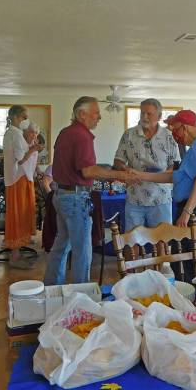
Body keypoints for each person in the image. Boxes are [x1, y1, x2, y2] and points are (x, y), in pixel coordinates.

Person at [44, 96, 135, 285]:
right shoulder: (82, 135)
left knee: (61, 245)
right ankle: (81, 297)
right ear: (82, 114)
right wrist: (119, 175)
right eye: (96, 113)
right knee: (82, 251)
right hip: (75, 198)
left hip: (60, 195)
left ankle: (51, 289)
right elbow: (88, 171)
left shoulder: (65, 133)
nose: (99, 118)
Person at [131, 109, 196, 280]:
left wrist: (187, 211)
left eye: (176, 130)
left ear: (184, 128)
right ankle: (191, 299)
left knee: (187, 262)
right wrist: (141, 175)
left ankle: (189, 300)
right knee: (192, 260)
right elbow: (175, 176)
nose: (175, 136)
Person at [113, 98, 179, 231]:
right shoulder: (129, 135)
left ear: (159, 116)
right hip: (135, 198)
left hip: (161, 198)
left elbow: (175, 166)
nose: (144, 117)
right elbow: (118, 161)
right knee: (132, 241)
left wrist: (160, 176)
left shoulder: (169, 137)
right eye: (142, 113)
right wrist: (126, 170)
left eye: (149, 114)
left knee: (162, 242)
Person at [3, 106, 43, 269]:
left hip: (19, 179)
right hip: (18, 180)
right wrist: (33, 149)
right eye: (24, 117)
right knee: (18, 215)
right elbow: (20, 160)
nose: (25, 121)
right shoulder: (15, 134)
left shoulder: (11, 133)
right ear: (17, 117)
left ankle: (17, 251)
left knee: (22, 213)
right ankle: (15, 256)